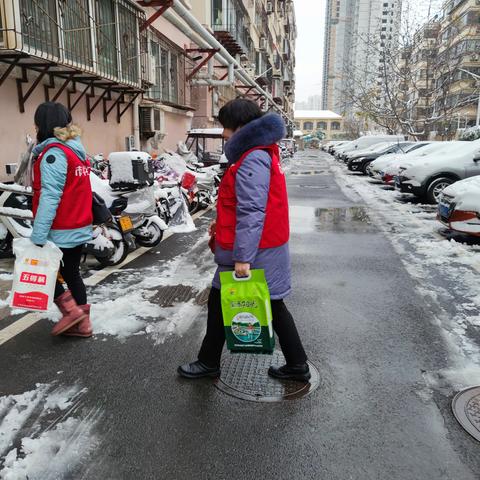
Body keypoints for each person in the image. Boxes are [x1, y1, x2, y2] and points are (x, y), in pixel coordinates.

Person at [178, 99, 310, 381]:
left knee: (229, 301)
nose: (223, 134)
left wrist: (243, 258)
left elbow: (252, 210)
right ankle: (296, 364)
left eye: (225, 127)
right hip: (261, 245)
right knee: (266, 303)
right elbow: (244, 205)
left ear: (239, 126)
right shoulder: (261, 152)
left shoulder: (253, 157)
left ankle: (209, 361)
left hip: (254, 250)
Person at [31, 102, 93, 337]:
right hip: (78, 224)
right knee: (71, 273)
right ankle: (82, 324)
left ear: (42, 125)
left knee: (44, 273)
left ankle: (73, 314)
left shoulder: (55, 154)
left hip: (62, 228)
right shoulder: (75, 150)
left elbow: (50, 196)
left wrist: (38, 236)